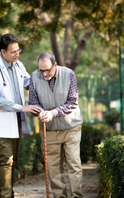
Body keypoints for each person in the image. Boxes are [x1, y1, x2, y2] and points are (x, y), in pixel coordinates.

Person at [0, 34, 41, 198]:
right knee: (5, 160)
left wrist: (44, 78)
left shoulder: (18, 64)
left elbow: (28, 82)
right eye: (13, 51)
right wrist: (21, 107)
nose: (17, 54)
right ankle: (6, 196)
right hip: (0, 120)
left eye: (18, 50)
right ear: (3, 52)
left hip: (16, 120)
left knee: (13, 160)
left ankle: (9, 192)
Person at [28, 52, 84, 198]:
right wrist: (40, 112)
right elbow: (33, 102)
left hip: (71, 127)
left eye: (48, 70)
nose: (44, 74)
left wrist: (52, 113)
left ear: (55, 65)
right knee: (53, 167)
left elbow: (72, 102)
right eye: (41, 70)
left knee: (73, 163)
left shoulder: (69, 74)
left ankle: (77, 195)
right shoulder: (34, 77)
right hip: (49, 129)